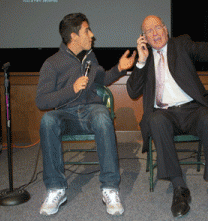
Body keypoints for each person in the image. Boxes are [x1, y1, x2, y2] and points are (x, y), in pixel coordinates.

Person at [126, 15, 208, 218]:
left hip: (193, 110)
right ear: (143, 38)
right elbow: (133, 91)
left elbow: (201, 49)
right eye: (149, 31)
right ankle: (179, 188)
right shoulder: (145, 60)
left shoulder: (180, 44)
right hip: (164, 114)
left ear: (165, 30)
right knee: (155, 120)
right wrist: (141, 61)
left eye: (158, 28)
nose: (155, 33)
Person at [36, 13, 136, 216]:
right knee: (47, 120)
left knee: (102, 115)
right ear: (73, 36)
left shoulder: (90, 57)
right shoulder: (52, 64)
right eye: (87, 30)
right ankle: (56, 189)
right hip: (65, 115)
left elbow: (102, 79)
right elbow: (42, 101)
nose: (92, 34)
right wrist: (70, 90)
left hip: (91, 110)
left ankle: (110, 188)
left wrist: (119, 68)